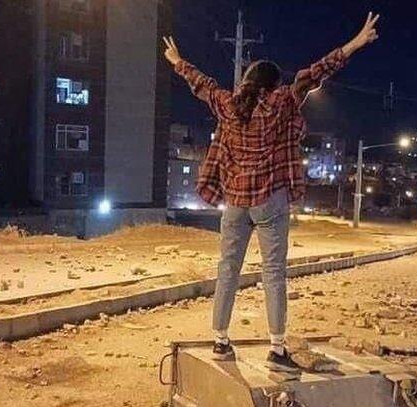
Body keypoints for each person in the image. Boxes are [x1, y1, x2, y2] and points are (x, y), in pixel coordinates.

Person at [163, 12, 381, 372]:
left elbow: (201, 83)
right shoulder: (280, 103)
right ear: (272, 85)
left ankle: (220, 342)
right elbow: (314, 73)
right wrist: (355, 43)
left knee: (227, 270)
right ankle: (277, 350)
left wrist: (177, 62)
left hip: (234, 203)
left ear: (248, 82)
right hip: (269, 201)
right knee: (273, 272)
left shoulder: (228, 104)